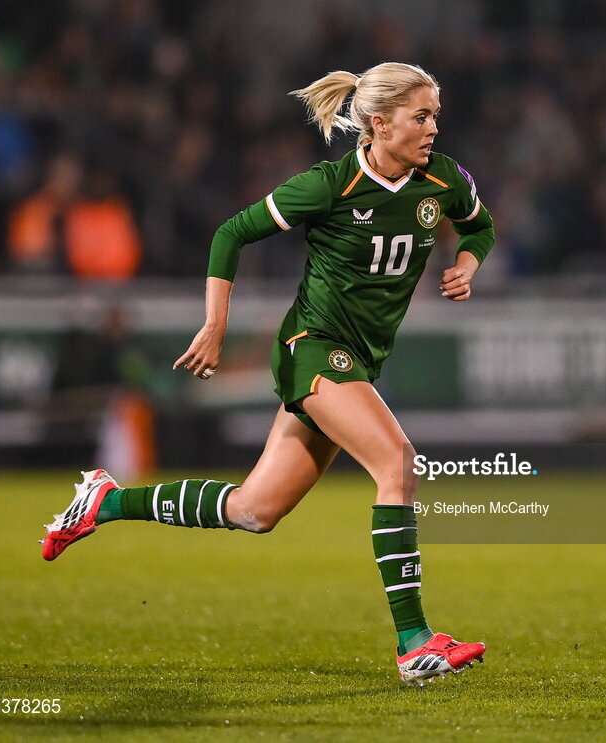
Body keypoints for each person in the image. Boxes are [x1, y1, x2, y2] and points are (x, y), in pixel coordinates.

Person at [40, 62, 493, 686]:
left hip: (357, 360)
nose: (434, 127)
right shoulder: (329, 185)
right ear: (380, 123)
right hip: (314, 349)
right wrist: (214, 325)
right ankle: (415, 642)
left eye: (436, 114)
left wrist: (467, 263)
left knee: (254, 510)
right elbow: (232, 233)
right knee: (398, 465)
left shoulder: (442, 179)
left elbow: (481, 225)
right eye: (422, 116)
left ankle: (107, 502)